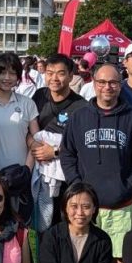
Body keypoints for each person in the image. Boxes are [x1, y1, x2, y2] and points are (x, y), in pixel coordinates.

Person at [60, 64, 132, 263]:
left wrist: (129, 186)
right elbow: (67, 153)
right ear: (94, 84)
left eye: (113, 82)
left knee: (122, 257)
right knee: (87, 253)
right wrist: (76, 184)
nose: (107, 87)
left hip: (122, 202)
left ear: (120, 85)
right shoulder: (79, 117)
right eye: (102, 82)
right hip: (87, 203)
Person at [29, 54, 90, 232]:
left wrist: (55, 152)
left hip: (67, 176)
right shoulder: (39, 96)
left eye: (61, 73)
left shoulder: (81, 106)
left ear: (71, 76)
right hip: (40, 172)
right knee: (42, 224)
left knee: (64, 224)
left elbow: (84, 144)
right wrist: (33, 144)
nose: (54, 78)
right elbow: (28, 127)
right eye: (50, 73)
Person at [0, 53, 39, 175]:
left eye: (13, 73)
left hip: (21, 175)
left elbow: (36, 140)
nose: (7, 78)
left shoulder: (28, 103)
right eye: (2, 73)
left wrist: (26, 171)